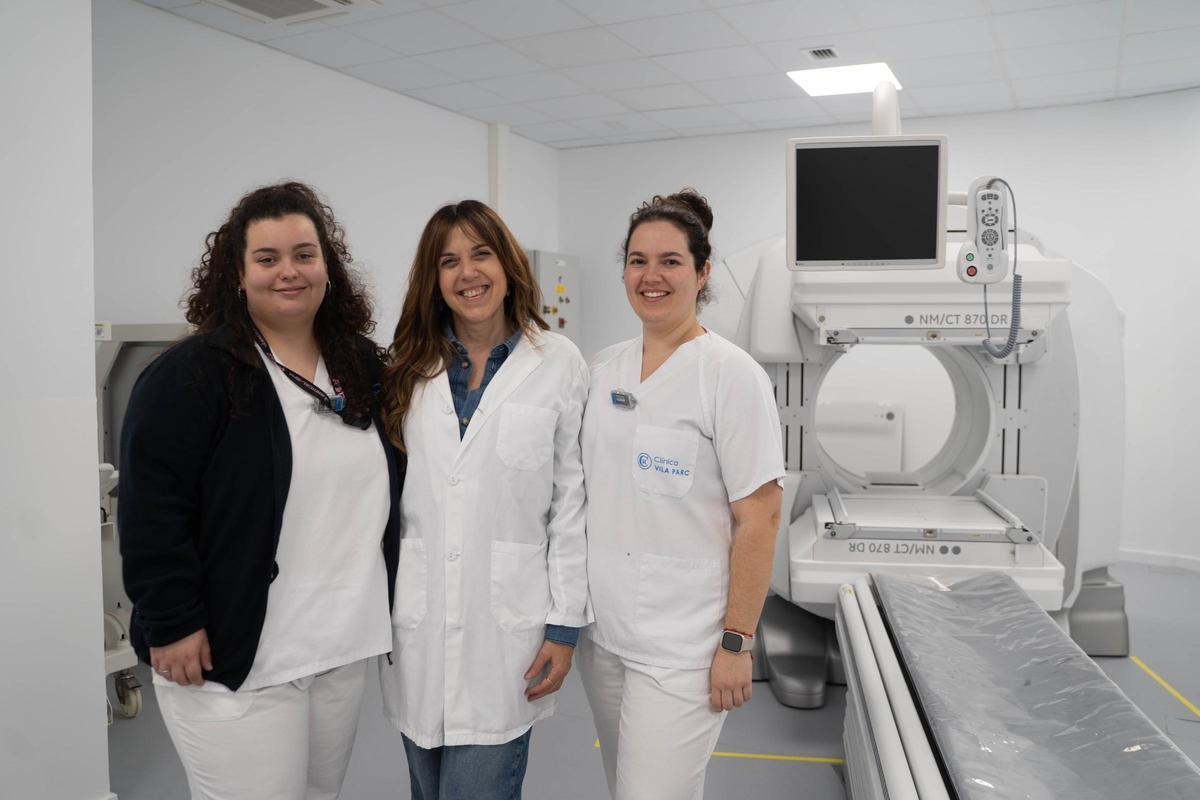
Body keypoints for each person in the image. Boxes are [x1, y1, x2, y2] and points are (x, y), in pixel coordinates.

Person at [119, 181, 402, 800]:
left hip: (339, 643)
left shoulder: (362, 367)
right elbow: (152, 510)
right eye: (267, 259)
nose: (288, 273)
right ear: (237, 275)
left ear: (329, 266)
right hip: (236, 651)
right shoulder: (191, 375)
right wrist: (170, 621)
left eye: (304, 254)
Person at [577, 189, 785, 800]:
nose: (652, 276)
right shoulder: (601, 370)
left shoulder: (731, 374)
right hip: (606, 636)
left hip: (686, 648)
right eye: (638, 261)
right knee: (622, 785)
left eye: (670, 261)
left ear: (702, 272)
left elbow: (762, 518)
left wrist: (736, 643)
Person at [378, 200, 589, 800]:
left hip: (507, 631)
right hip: (416, 623)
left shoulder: (558, 363)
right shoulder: (406, 368)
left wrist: (564, 628)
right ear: (433, 279)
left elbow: (571, 506)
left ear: (508, 263)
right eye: (449, 261)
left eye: (481, 253)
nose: (467, 273)